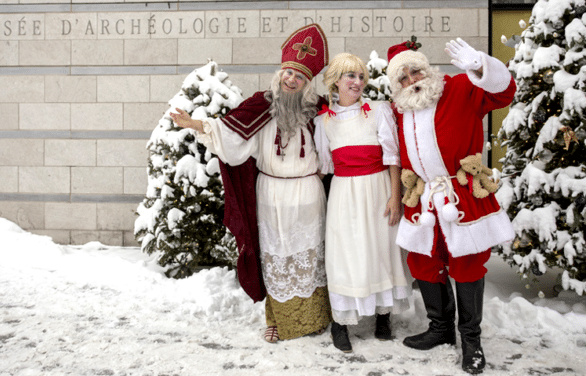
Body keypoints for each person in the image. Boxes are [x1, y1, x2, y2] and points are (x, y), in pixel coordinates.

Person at [169, 23, 332, 343]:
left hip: (309, 194)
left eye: (299, 77)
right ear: (280, 73)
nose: (292, 80)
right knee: (273, 254)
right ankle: (276, 319)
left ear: (306, 84)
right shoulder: (262, 105)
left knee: (310, 256)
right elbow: (230, 134)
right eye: (288, 73)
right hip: (272, 193)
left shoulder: (317, 109)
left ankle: (313, 318)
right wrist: (196, 124)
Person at [386, 38, 516, 374]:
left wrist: (479, 65)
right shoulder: (400, 109)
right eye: (403, 78)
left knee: (467, 263)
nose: (412, 80)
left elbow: (503, 92)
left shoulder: (458, 88)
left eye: (415, 72)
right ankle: (440, 329)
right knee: (424, 262)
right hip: (424, 199)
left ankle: (471, 340)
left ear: (426, 70)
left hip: (460, 195)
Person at [314, 53, 413, 353]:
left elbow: (393, 157)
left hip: (379, 189)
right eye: (350, 76)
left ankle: (383, 316)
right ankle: (340, 322)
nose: (357, 82)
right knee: (345, 254)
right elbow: (322, 166)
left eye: (360, 77)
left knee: (381, 249)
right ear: (336, 81)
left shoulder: (379, 111)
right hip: (344, 193)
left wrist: (396, 196)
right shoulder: (324, 122)